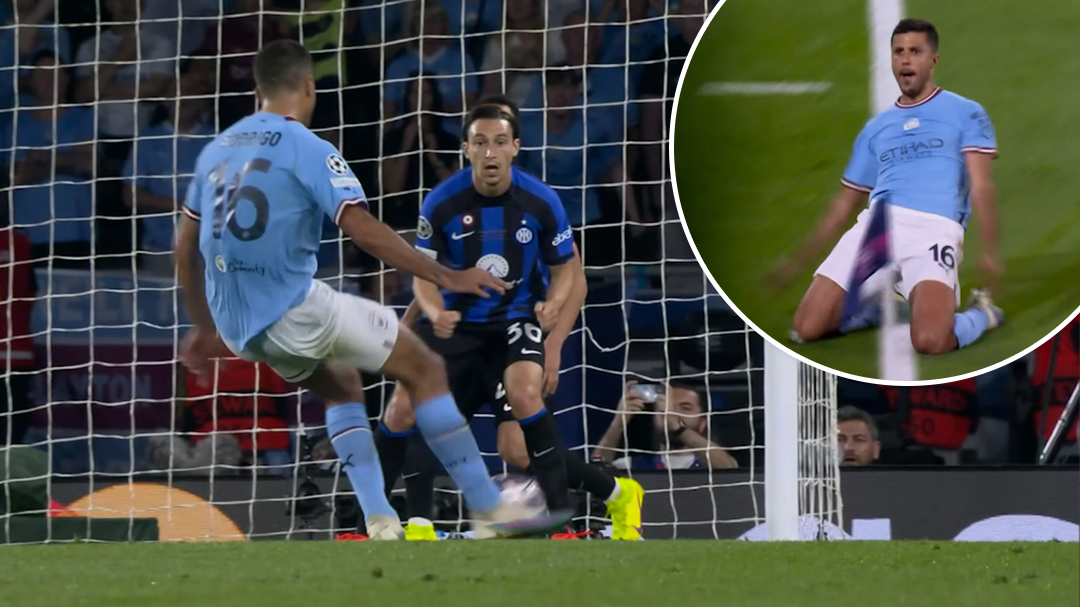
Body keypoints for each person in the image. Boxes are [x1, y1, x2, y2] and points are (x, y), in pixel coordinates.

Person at [174, 40, 568, 541]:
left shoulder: (216, 150)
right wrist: (445, 276)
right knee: (424, 368)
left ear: (257, 92)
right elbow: (360, 228)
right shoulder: (308, 148)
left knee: (341, 385)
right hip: (294, 308)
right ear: (309, 87)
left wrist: (202, 326)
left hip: (237, 327)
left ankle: (380, 519)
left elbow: (184, 247)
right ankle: (491, 507)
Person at [373, 98, 645, 541]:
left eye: (499, 142)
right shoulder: (441, 202)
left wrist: (554, 316)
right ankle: (391, 523)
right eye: (480, 143)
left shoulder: (541, 201)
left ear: (515, 147)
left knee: (519, 431)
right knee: (407, 406)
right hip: (459, 327)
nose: (490, 152)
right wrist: (432, 311)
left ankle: (563, 522)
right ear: (465, 148)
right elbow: (423, 274)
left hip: (515, 322)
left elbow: (567, 273)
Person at [772, 19, 1004, 355]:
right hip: (877, 228)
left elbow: (982, 185)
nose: (906, 59)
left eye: (915, 51)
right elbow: (844, 203)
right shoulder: (876, 128)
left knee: (930, 340)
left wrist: (991, 251)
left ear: (933, 59)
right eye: (899, 52)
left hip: (934, 231)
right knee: (805, 329)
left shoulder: (966, 112)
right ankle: (877, 305)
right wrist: (798, 259)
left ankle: (982, 314)